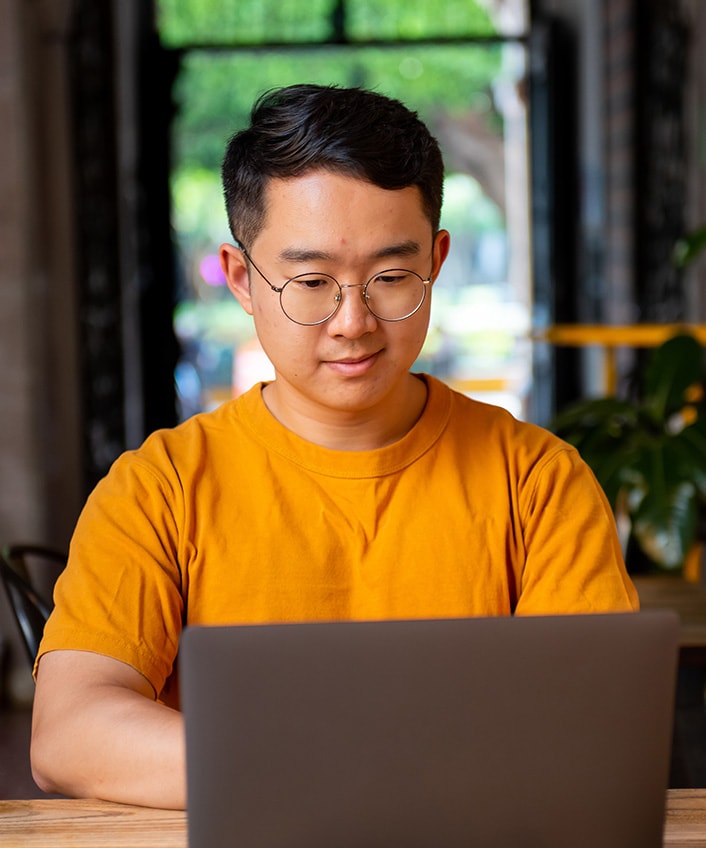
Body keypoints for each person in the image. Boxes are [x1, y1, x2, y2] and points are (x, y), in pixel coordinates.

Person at [30, 84, 638, 810]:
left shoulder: (536, 480)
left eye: (390, 277)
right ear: (241, 279)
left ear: (437, 260)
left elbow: (589, 728)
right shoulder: (160, 488)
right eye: (311, 281)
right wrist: (346, 773)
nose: (353, 322)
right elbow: (70, 733)